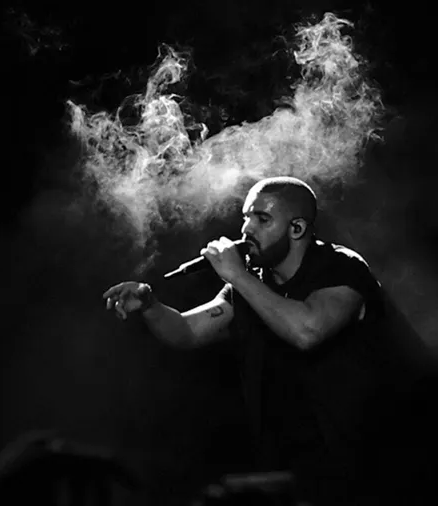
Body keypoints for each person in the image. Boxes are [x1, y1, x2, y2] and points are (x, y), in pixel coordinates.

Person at [103, 176, 390, 505]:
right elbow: (187, 331)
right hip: (289, 469)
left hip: (361, 467)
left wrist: (237, 275)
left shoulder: (341, 268)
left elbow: (307, 332)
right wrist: (151, 306)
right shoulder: (251, 283)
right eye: (246, 217)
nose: (246, 229)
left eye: (262, 219)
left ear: (297, 228)